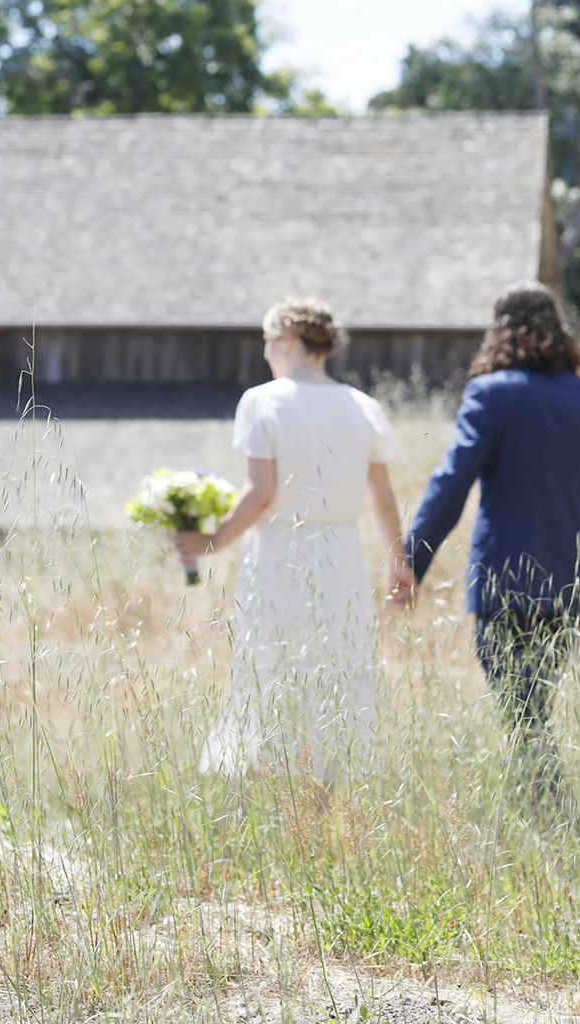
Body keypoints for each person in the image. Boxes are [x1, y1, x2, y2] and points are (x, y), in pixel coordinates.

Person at [176, 297, 412, 784]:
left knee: (270, 667)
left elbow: (262, 494)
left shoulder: (262, 401)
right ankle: (326, 797)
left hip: (280, 551)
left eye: (266, 340)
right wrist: (398, 564)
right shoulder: (364, 407)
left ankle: (267, 793)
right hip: (343, 554)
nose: (265, 351)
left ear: (287, 339)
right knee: (338, 672)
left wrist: (212, 542)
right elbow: (384, 501)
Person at [403, 281, 580, 806]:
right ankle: (537, 808)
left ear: (498, 330)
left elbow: (452, 483)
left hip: (505, 582)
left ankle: (549, 810)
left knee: (522, 711)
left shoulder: (491, 394)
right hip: (567, 587)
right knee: (531, 704)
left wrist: (412, 560)